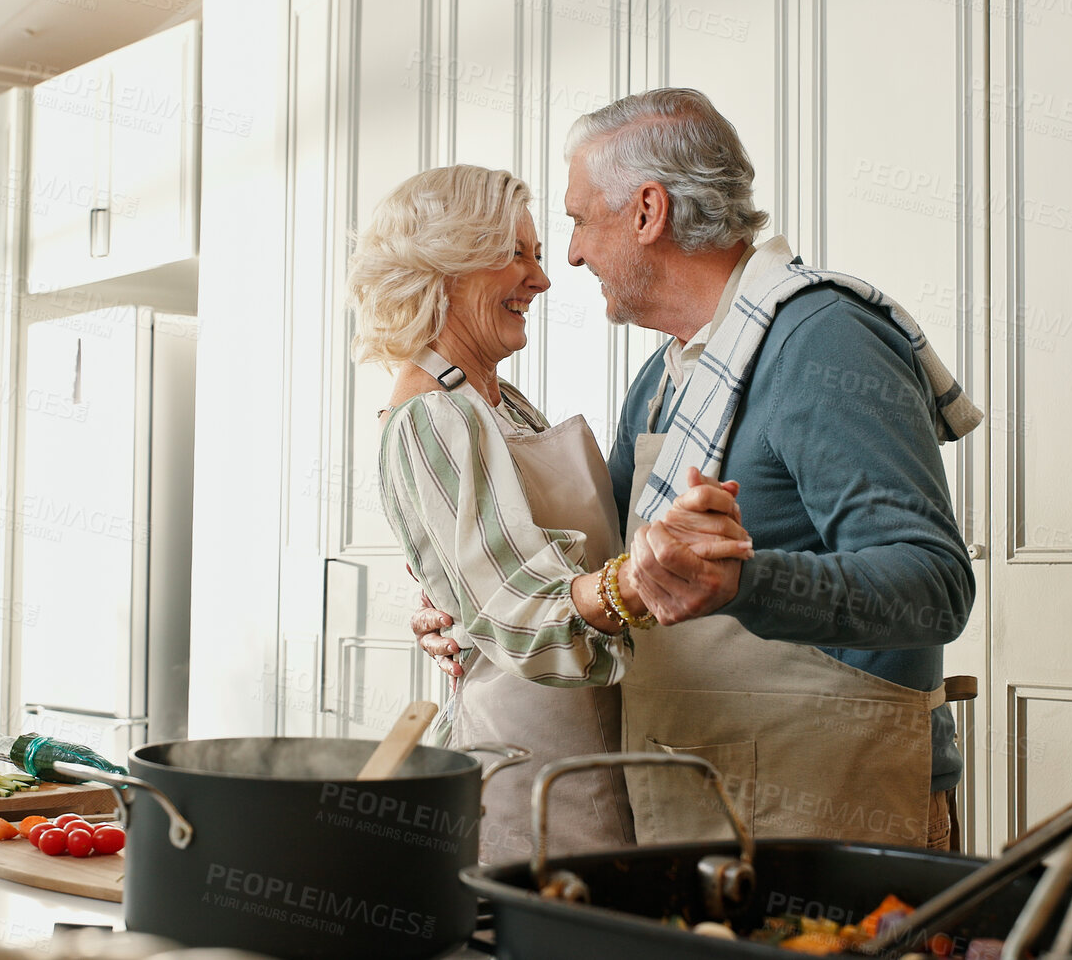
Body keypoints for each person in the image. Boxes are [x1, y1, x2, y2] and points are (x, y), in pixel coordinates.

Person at [415, 89, 982, 850]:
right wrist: (470, 595)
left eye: (579, 219)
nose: (573, 253)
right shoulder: (662, 383)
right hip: (699, 807)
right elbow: (605, 571)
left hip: (833, 812)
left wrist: (743, 582)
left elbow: (933, 586)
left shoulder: (823, 342)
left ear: (647, 212)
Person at [350, 164, 753, 863]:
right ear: (444, 267)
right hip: (525, 772)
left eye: (535, 253)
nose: (540, 279)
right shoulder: (428, 417)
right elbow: (515, 610)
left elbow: (499, 575)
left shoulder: (500, 405)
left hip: (590, 747)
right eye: (517, 253)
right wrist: (637, 579)